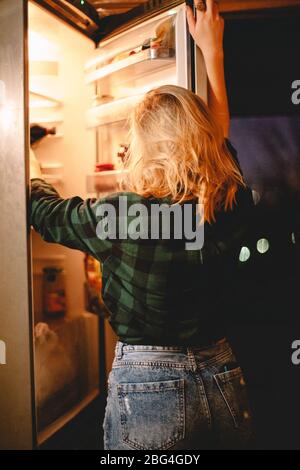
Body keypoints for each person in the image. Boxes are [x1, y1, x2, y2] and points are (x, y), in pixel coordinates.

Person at [30, 0, 254, 450]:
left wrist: (24, 154)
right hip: (221, 373)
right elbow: (219, 145)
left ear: (145, 146)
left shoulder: (121, 214)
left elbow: (44, 212)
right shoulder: (226, 199)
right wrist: (213, 53)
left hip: (149, 386)